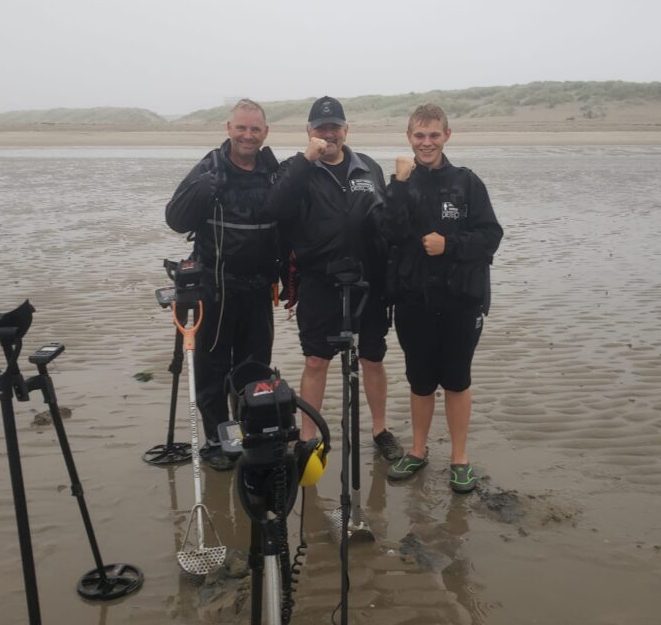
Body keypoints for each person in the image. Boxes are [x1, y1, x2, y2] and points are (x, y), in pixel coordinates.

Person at [266, 96, 404, 462]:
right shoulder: (295, 170)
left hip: (367, 284)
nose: (329, 134)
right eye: (321, 128)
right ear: (309, 132)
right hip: (318, 282)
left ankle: (380, 429)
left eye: (335, 127)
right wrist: (305, 161)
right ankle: (308, 438)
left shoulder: (367, 168)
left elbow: (389, 221)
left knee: (372, 359)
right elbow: (276, 207)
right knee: (316, 360)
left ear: (346, 130)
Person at [383, 103, 502, 493]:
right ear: (409, 138)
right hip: (413, 301)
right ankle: (417, 451)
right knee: (419, 380)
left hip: (460, 301)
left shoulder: (467, 183)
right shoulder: (401, 183)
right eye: (420, 135)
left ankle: (459, 458)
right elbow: (388, 233)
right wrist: (399, 185)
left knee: (456, 379)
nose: (427, 142)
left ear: (447, 136)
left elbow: (490, 237)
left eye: (434, 135)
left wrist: (449, 244)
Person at [165, 99, 280, 471]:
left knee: (255, 368)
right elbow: (175, 220)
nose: (248, 136)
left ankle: (252, 430)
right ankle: (217, 438)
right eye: (241, 128)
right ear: (229, 128)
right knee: (212, 370)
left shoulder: (273, 170)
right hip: (215, 290)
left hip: (260, 289)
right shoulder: (209, 168)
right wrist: (203, 190)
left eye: (255, 129)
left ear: (265, 133)